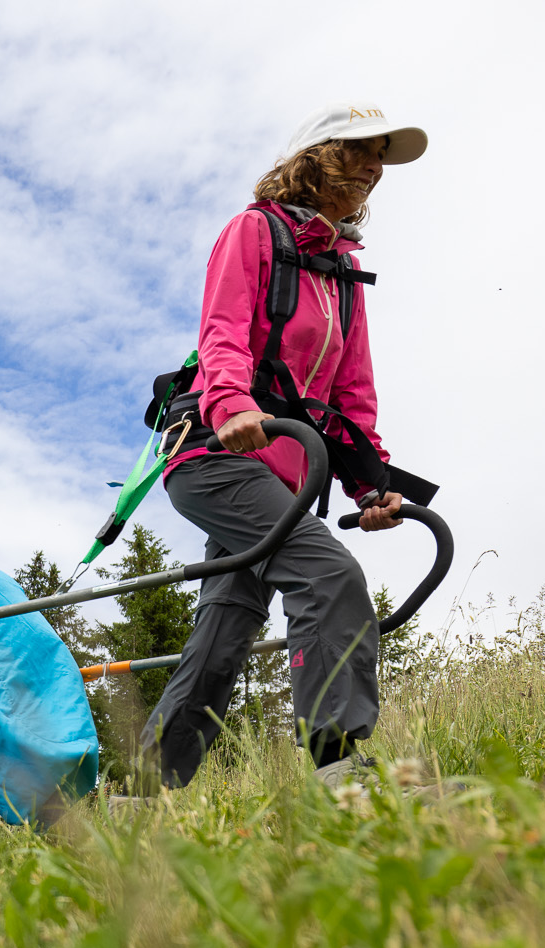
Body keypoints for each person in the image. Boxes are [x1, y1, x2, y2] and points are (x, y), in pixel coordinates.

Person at [142, 103, 426, 791]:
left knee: (225, 627)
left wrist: (370, 485)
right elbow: (223, 332)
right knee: (328, 577)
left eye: (381, 156)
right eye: (361, 150)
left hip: (287, 472)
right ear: (315, 157)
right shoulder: (254, 232)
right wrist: (233, 405)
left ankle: (143, 790)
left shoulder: (344, 277)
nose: (373, 166)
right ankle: (341, 771)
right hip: (215, 454)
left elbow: (351, 395)